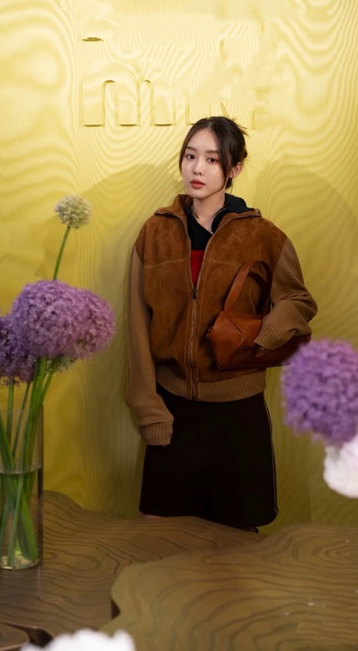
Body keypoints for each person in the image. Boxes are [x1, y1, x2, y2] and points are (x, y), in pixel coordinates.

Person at [126, 116, 317, 530]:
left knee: (237, 548)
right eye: (190, 156)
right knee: (157, 534)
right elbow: (137, 325)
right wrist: (148, 408)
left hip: (238, 415)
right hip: (172, 409)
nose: (197, 168)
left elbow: (298, 300)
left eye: (212, 160)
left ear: (235, 169)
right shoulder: (155, 233)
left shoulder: (263, 235)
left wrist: (265, 334)